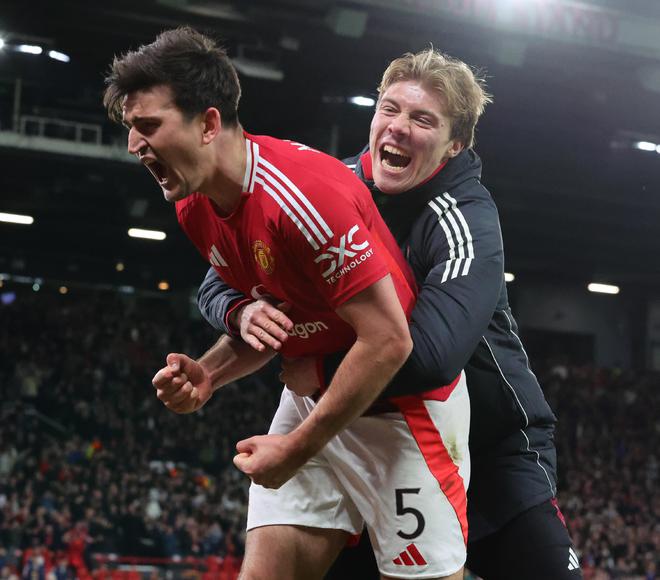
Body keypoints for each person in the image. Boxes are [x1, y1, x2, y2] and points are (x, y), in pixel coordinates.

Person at [198, 48, 583, 580]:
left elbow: (431, 357)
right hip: (368, 434)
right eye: (390, 109)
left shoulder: (466, 220)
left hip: (489, 444)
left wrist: (321, 371)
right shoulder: (327, 187)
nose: (399, 127)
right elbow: (217, 280)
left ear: (455, 143)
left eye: (423, 119)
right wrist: (239, 311)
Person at [103, 28, 470, 580]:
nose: (135, 144)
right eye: (131, 128)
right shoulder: (193, 205)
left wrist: (296, 448)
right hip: (312, 403)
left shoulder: (303, 196)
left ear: (208, 124)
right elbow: (284, 318)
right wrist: (209, 373)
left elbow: (389, 340)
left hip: (401, 414)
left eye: (149, 125)